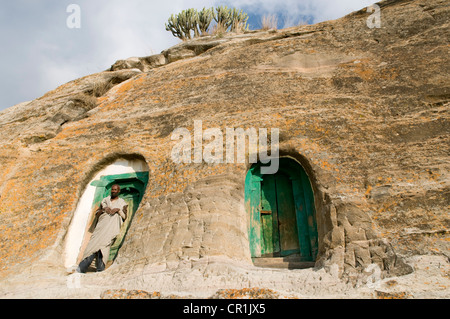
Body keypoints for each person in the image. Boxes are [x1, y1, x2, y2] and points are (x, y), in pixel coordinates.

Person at [76, 184, 128, 273]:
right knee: (92, 246)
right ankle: (81, 268)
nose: (113, 191)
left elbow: (124, 216)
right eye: (112, 189)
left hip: (111, 229)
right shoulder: (105, 201)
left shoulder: (122, 202)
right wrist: (104, 210)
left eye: (115, 190)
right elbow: (97, 213)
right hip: (100, 227)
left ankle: (100, 269)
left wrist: (118, 210)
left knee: (104, 247)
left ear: (119, 191)